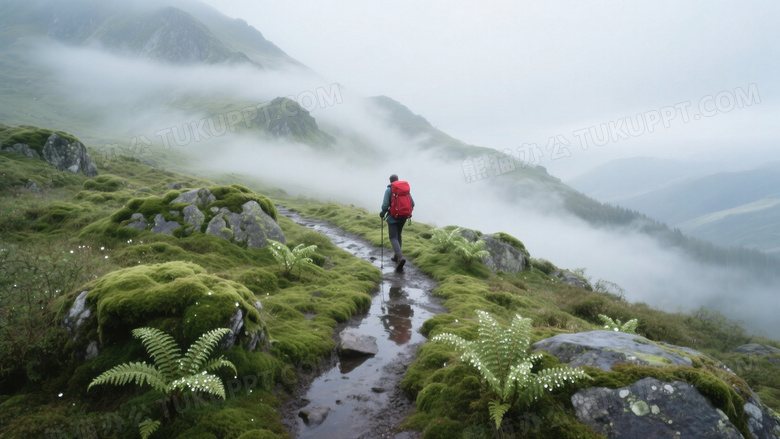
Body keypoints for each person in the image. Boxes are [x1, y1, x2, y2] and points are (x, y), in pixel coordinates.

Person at [380, 174, 414, 271]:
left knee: (393, 237)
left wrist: (383, 212)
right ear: (397, 180)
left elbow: (385, 205)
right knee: (398, 234)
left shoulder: (389, 190)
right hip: (403, 217)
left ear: (390, 181)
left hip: (393, 217)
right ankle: (396, 256)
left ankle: (400, 257)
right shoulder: (405, 190)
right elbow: (412, 203)